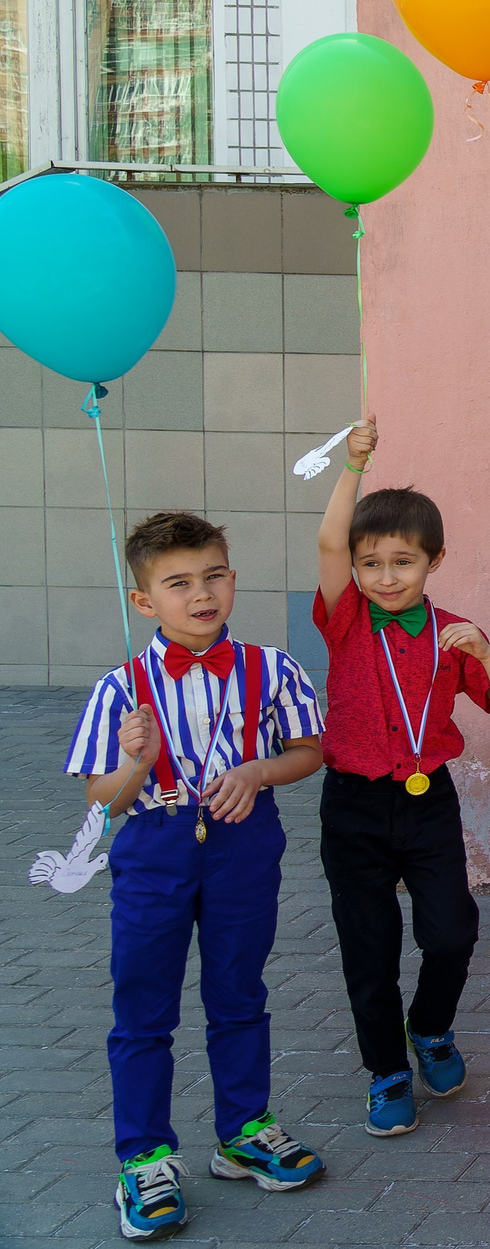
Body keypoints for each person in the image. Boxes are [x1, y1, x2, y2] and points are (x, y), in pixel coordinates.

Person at [68, 512, 327, 1240]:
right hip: (154, 848)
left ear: (232, 579)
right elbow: (101, 797)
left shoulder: (272, 668)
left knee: (239, 989)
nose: (201, 594)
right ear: (145, 600)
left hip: (244, 844)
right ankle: (144, 1155)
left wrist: (257, 770)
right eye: (179, 583)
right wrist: (134, 764)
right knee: (144, 1002)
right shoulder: (119, 688)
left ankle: (244, 1131)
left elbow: (309, 749)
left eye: (213, 575)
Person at [313, 418, 490, 1138]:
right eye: (370, 563)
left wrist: (488, 652)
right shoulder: (347, 617)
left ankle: (429, 1026)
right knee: (368, 946)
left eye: (401, 562)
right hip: (353, 804)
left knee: (451, 932)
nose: (384, 577)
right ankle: (387, 1071)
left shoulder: (452, 628)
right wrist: (353, 465)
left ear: (434, 560)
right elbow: (326, 543)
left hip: (427, 798)